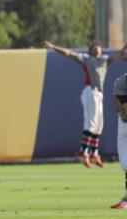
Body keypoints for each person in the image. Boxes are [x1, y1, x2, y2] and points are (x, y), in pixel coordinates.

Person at [43, 40, 127, 168]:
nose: (96, 48)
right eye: (94, 47)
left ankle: (94, 153)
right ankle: (84, 152)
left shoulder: (105, 59)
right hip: (90, 92)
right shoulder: (87, 59)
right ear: (91, 50)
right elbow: (69, 53)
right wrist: (53, 47)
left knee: (99, 125)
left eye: (98, 46)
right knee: (91, 123)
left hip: (99, 94)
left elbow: (120, 53)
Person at [111, 73, 127, 209]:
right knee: (126, 162)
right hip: (124, 122)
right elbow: (121, 108)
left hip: (124, 123)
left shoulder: (120, 81)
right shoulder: (121, 81)